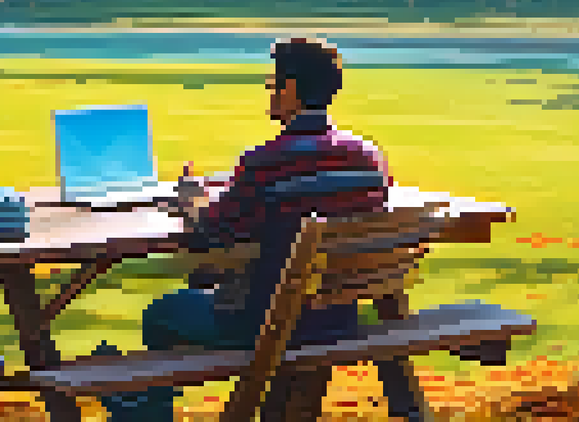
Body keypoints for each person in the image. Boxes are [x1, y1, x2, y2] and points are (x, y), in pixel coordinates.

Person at [95, 37, 393, 421]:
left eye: (273, 85)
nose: (270, 93)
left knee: (162, 313)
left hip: (270, 323)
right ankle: (142, 402)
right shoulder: (368, 159)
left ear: (291, 90)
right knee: (202, 287)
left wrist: (190, 203)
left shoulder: (265, 163)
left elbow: (213, 235)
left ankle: (143, 409)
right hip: (338, 318)